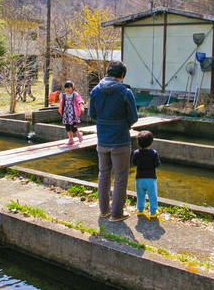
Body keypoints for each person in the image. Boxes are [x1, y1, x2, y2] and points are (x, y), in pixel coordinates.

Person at [89, 60, 139, 222]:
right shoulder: (125, 92)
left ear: (108, 73)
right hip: (120, 141)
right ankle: (117, 214)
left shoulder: (96, 91)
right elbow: (134, 118)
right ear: (122, 75)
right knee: (120, 177)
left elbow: (92, 114)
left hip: (102, 140)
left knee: (103, 175)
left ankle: (104, 211)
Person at [132, 130, 160, 219]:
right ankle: (153, 212)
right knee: (152, 196)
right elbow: (157, 164)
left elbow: (134, 163)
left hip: (139, 178)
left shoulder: (136, 153)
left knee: (140, 195)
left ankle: (140, 210)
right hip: (151, 178)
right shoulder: (153, 153)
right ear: (151, 143)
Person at [58, 81, 85, 145]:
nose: (67, 90)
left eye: (69, 88)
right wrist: (60, 108)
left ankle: (79, 134)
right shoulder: (64, 95)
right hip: (66, 113)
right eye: (66, 88)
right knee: (67, 127)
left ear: (73, 87)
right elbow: (62, 102)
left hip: (73, 113)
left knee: (72, 127)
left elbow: (80, 100)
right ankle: (71, 139)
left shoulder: (75, 94)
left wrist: (82, 107)